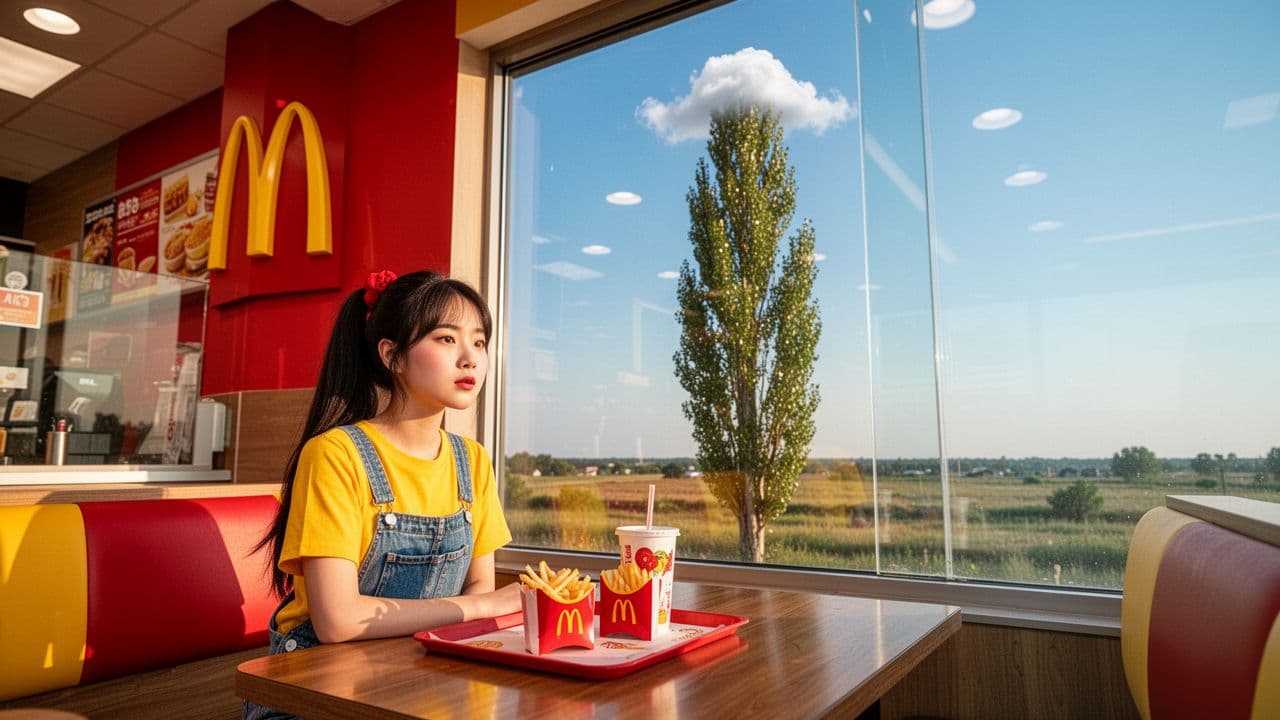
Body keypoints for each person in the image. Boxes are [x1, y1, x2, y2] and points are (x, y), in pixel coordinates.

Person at [244, 270, 521, 720]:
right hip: (312, 692)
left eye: (480, 341)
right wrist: (482, 608)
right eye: (447, 339)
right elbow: (338, 620)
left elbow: (479, 587)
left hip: (418, 678)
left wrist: (481, 606)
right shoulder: (336, 454)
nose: (471, 358)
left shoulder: (472, 461)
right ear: (392, 355)